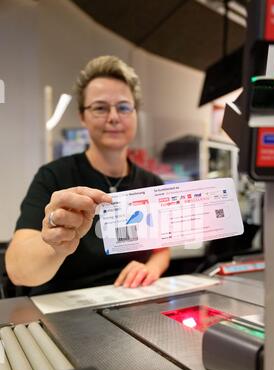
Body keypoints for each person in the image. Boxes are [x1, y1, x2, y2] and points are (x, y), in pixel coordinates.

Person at [5, 56, 170, 295]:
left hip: (133, 301)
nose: (113, 117)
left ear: (135, 114)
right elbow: (18, 270)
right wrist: (56, 246)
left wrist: (152, 268)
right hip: (65, 309)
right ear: (82, 116)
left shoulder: (151, 183)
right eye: (100, 107)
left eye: (123, 107)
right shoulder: (53, 177)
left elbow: (162, 248)